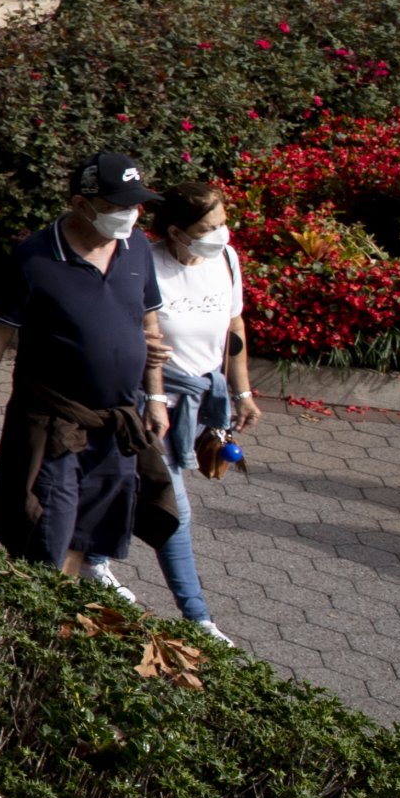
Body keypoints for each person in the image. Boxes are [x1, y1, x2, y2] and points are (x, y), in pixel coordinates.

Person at [0, 151, 183, 596]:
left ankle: (61, 616)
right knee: (46, 532)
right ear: (82, 204)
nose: (132, 215)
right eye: (120, 206)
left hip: (115, 423)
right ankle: (30, 618)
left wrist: (154, 397)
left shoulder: (136, 246)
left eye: (136, 205)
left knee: (87, 533)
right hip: (54, 424)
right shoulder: (36, 257)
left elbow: (148, 324)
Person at [144, 180, 259, 645]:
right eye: (210, 227)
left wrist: (242, 391)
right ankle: (198, 619)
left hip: (201, 400)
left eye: (223, 222)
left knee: (131, 492)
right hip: (152, 404)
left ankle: (91, 561)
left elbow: (234, 328)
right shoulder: (145, 265)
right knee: (176, 510)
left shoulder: (225, 261)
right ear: (177, 231)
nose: (222, 234)